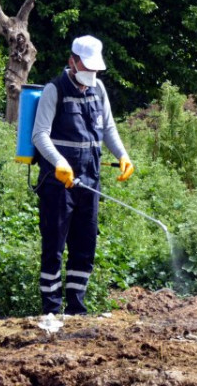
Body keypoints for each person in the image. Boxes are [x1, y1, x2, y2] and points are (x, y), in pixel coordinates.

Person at [31, 35, 134, 316]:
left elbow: (109, 128)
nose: (91, 74)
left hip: (89, 180)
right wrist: (59, 162)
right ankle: (51, 311)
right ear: (72, 61)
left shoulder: (98, 89)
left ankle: (76, 309)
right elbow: (39, 134)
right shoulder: (56, 90)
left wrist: (123, 155)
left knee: (85, 244)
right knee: (53, 246)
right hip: (58, 182)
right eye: (86, 68)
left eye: (95, 69)